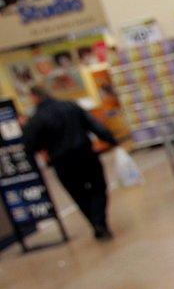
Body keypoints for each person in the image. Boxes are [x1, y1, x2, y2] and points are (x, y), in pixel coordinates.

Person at [22, 85, 117, 240]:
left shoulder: (36, 119)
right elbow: (92, 123)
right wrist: (110, 139)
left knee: (79, 194)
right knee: (99, 187)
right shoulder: (70, 106)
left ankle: (96, 223)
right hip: (86, 154)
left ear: (34, 97)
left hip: (62, 162)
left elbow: (29, 145)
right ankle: (100, 221)